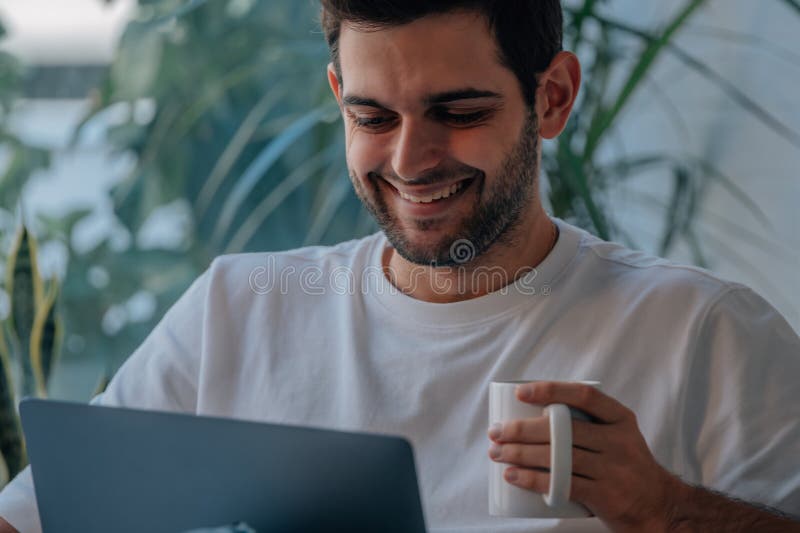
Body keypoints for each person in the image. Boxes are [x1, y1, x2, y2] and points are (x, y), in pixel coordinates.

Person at [1, 1, 799, 531]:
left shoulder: (705, 332)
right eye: (374, 117)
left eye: (459, 112)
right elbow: (37, 516)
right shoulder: (235, 310)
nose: (411, 160)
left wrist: (666, 509)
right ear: (337, 96)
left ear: (553, 97)